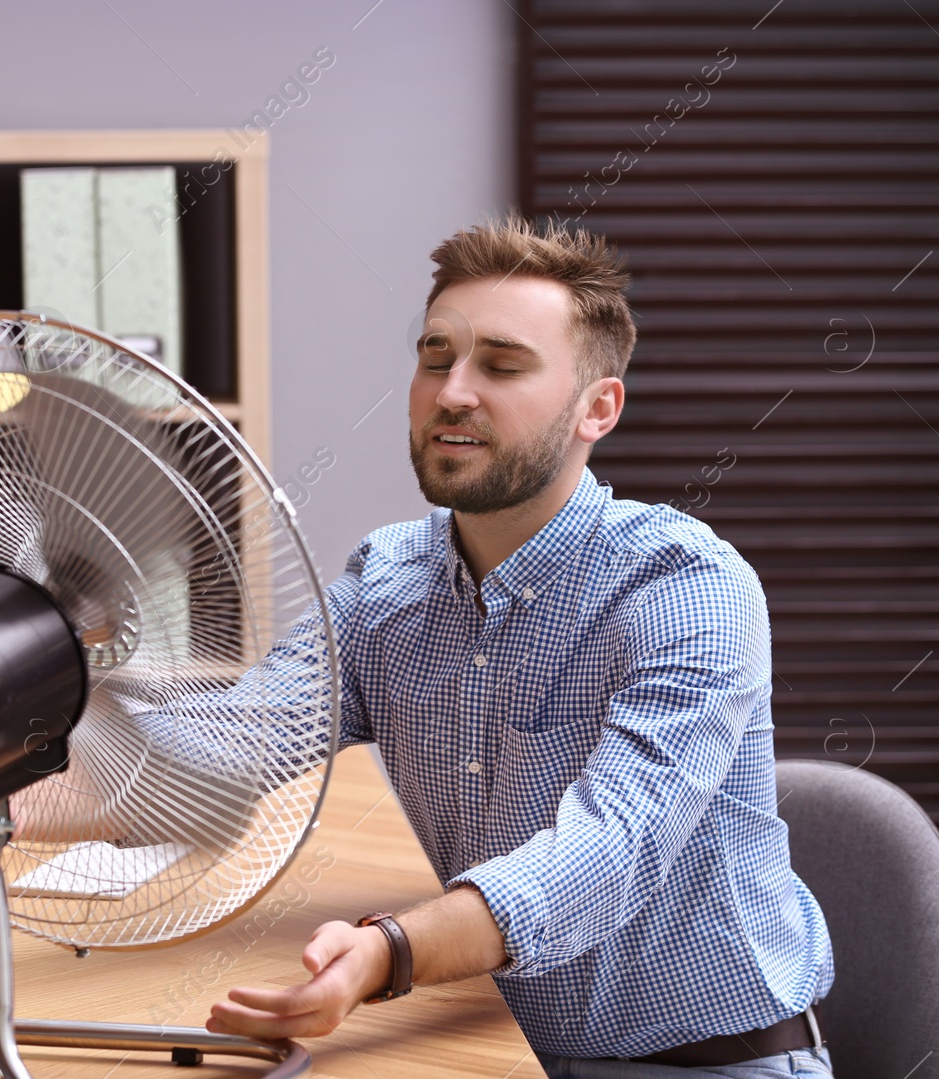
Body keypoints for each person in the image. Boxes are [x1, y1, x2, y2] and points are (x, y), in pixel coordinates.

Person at [202, 215, 836, 1076]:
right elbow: (230, 743)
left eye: (501, 365)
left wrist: (392, 949)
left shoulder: (686, 586)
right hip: (487, 1045)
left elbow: (608, 849)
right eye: (436, 358)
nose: (452, 391)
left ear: (597, 408)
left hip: (707, 1064)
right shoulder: (388, 579)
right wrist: (8, 757)